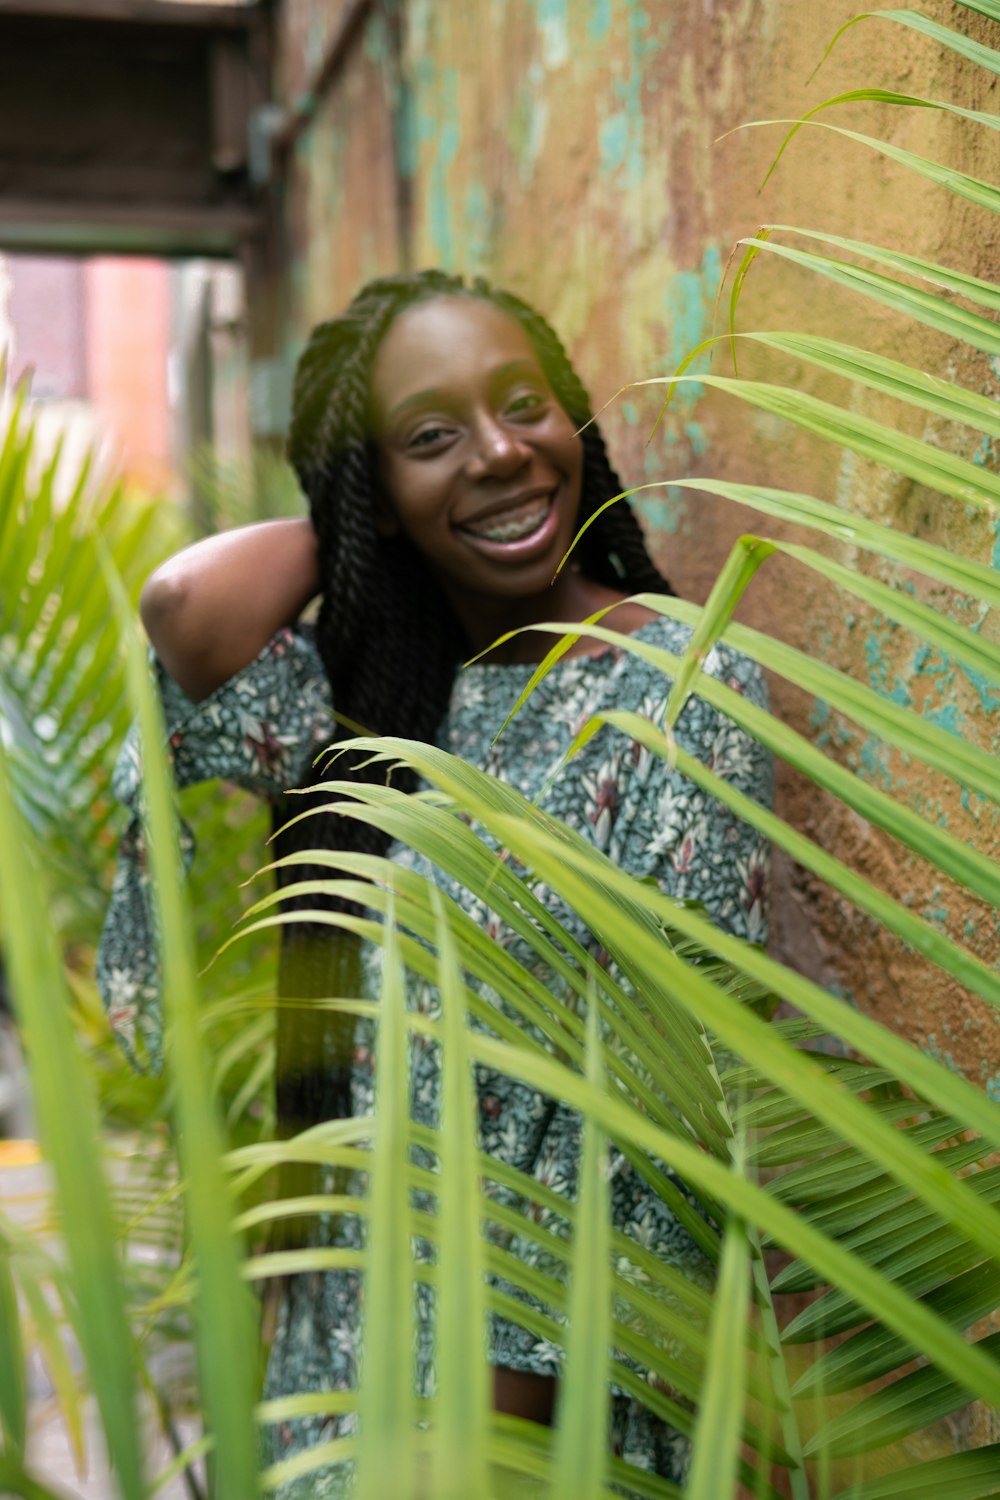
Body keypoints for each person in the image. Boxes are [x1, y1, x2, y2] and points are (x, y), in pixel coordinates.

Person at [97, 269, 772, 1493]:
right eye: (430, 435)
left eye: (526, 407)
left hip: (545, 1379)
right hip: (350, 1347)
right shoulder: (377, 698)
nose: (503, 454)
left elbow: (660, 1104)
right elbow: (185, 611)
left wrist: (485, 1438)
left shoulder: (670, 685)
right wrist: (361, 514)